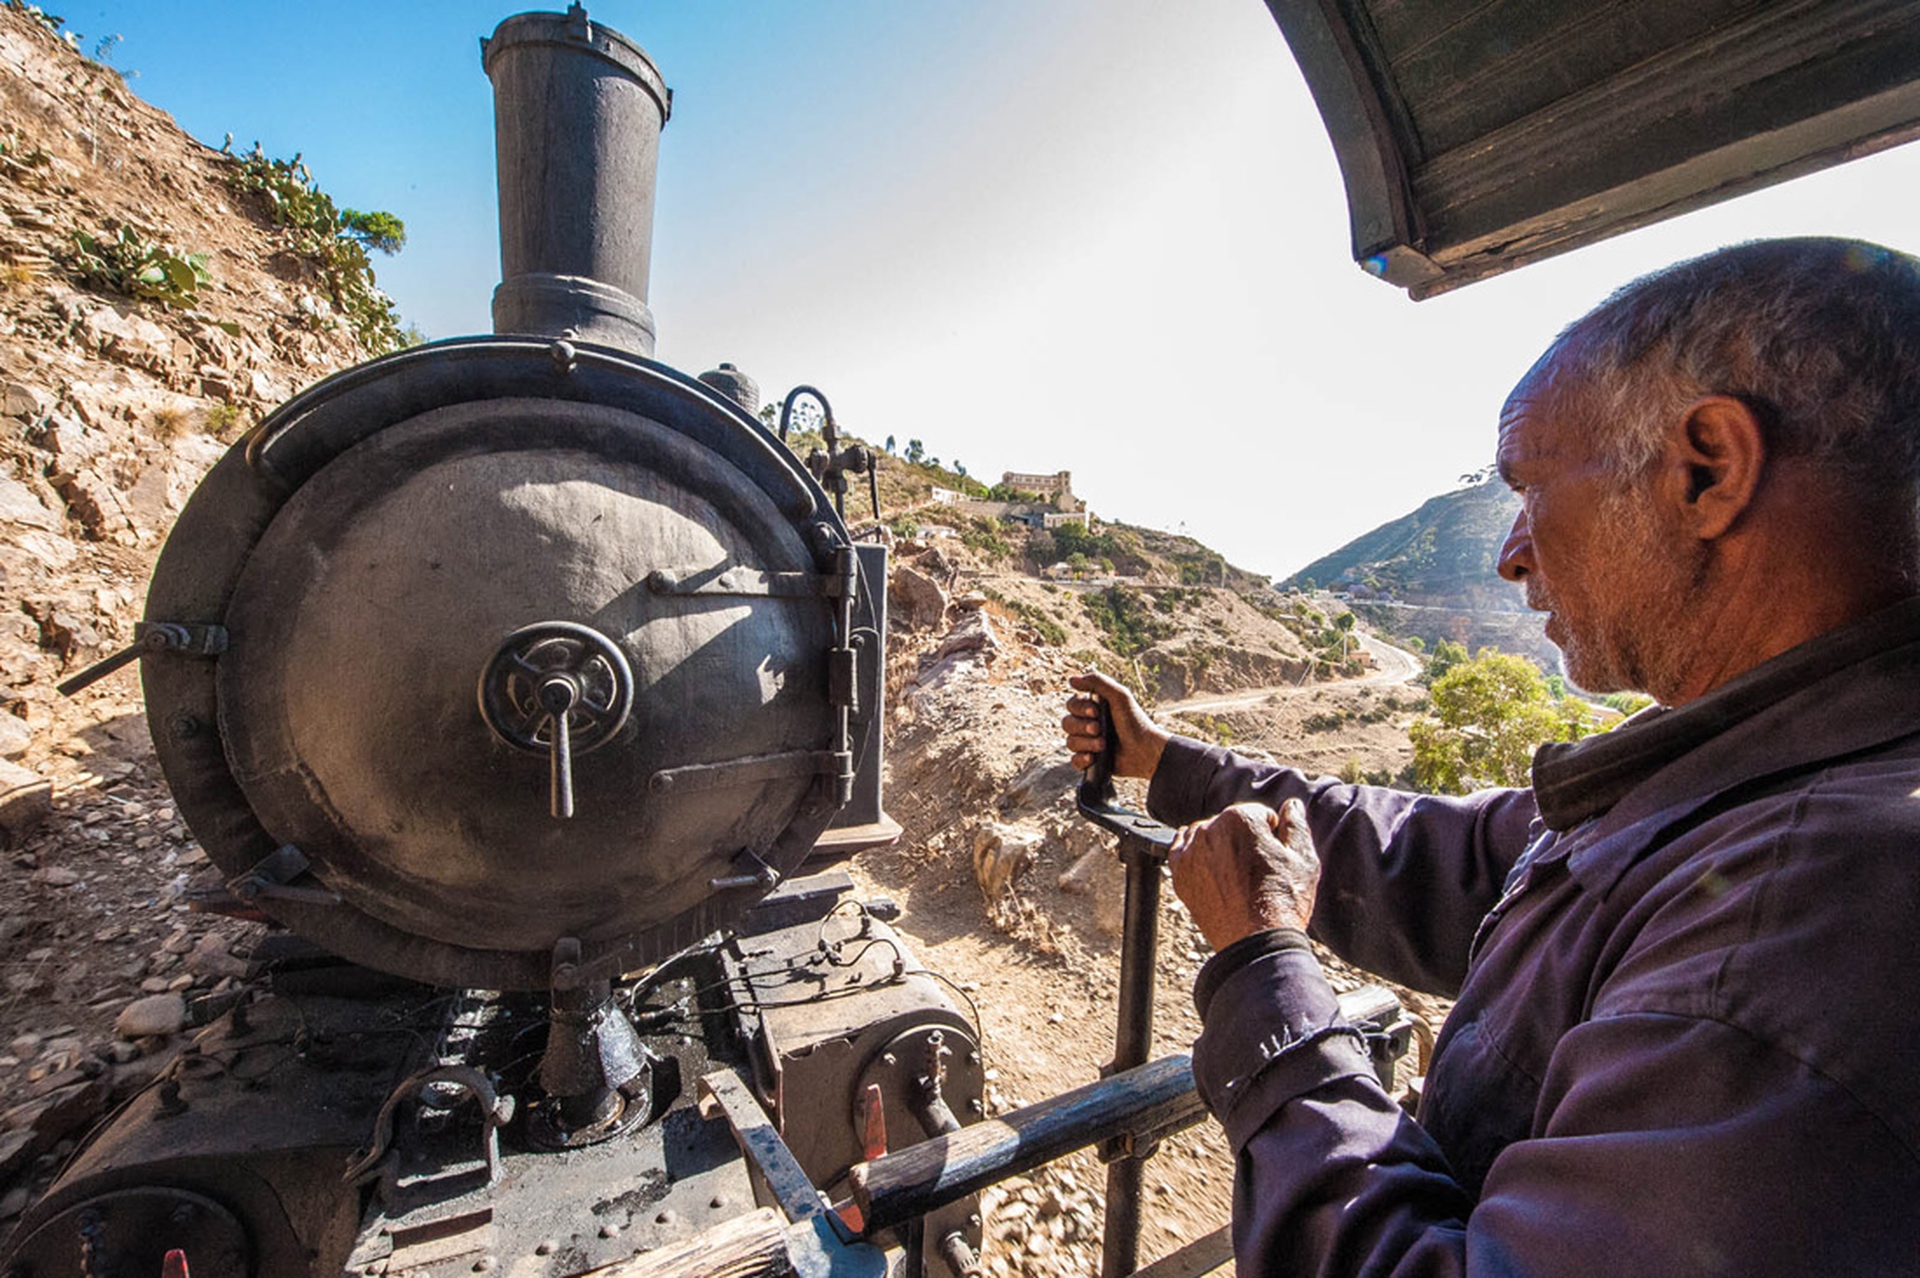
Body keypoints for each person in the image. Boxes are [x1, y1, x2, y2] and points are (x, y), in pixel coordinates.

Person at [1062, 237, 1920, 1274]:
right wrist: (1169, 761)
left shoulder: (1799, 922)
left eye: (1530, 488)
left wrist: (1263, 973)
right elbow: (1461, 857)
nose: (1513, 552)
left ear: (1708, 469)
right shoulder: (1743, 768)